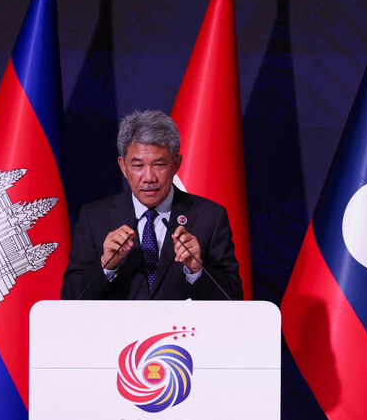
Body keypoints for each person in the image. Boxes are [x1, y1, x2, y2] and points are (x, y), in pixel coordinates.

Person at [61, 110, 243, 300]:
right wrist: (106, 265)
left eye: (159, 165)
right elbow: (70, 298)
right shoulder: (95, 217)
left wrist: (196, 270)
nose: (148, 178)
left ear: (176, 164)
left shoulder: (210, 217)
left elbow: (233, 299)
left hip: (181, 329)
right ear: (123, 166)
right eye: (138, 166)